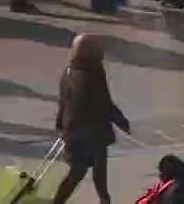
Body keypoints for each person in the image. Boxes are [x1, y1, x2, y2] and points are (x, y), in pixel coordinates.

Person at [51, 34, 130, 204]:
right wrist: (122, 121)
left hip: (73, 130)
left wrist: (60, 126)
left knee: (77, 172)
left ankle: (58, 201)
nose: (101, 50)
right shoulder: (91, 74)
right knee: (99, 173)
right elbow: (104, 104)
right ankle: (105, 200)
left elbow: (63, 101)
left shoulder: (69, 71)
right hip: (93, 133)